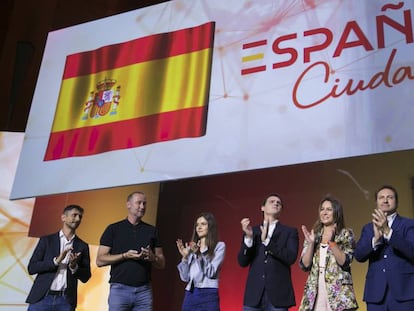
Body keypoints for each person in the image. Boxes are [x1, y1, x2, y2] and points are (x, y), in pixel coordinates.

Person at [96, 191, 166, 311]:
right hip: (119, 289)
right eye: (139, 203)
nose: (142, 207)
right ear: (128, 204)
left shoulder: (151, 231)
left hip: (144, 291)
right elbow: (100, 260)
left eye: (145, 204)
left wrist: (152, 257)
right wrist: (125, 256)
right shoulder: (113, 229)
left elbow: (162, 263)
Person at [354, 185, 414, 310]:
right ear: (376, 202)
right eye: (381, 197)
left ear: (396, 202)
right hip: (375, 293)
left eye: (390, 197)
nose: (385, 200)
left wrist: (387, 231)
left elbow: (411, 251)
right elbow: (359, 256)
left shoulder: (409, 224)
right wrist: (375, 240)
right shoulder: (368, 228)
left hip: (404, 292)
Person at [238, 193, 299, 311]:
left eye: (278, 203)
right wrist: (249, 239)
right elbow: (242, 262)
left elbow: (291, 257)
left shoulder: (290, 232)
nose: (276, 203)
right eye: (271, 201)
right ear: (262, 207)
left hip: (278, 296)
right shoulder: (253, 231)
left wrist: (267, 242)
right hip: (254, 296)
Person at [26, 204, 91, 311]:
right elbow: (32, 268)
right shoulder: (47, 240)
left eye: (80, 216)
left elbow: (86, 276)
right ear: (63, 217)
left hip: (65, 301)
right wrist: (56, 261)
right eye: (74, 215)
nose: (78, 219)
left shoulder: (82, 246)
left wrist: (74, 267)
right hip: (41, 298)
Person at [299, 195, 358, 311]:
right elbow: (305, 265)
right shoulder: (314, 235)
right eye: (322, 209)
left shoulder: (346, 234)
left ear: (336, 212)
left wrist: (332, 242)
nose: (324, 213)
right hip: (316, 290)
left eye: (329, 209)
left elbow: (344, 261)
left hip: (338, 292)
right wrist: (311, 243)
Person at [176, 212, 226, 311]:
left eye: (203, 224)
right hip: (190, 294)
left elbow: (211, 272)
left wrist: (199, 254)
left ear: (210, 227)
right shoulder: (192, 248)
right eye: (197, 225)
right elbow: (185, 278)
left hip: (208, 294)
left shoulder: (219, 246)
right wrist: (185, 258)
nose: (199, 227)